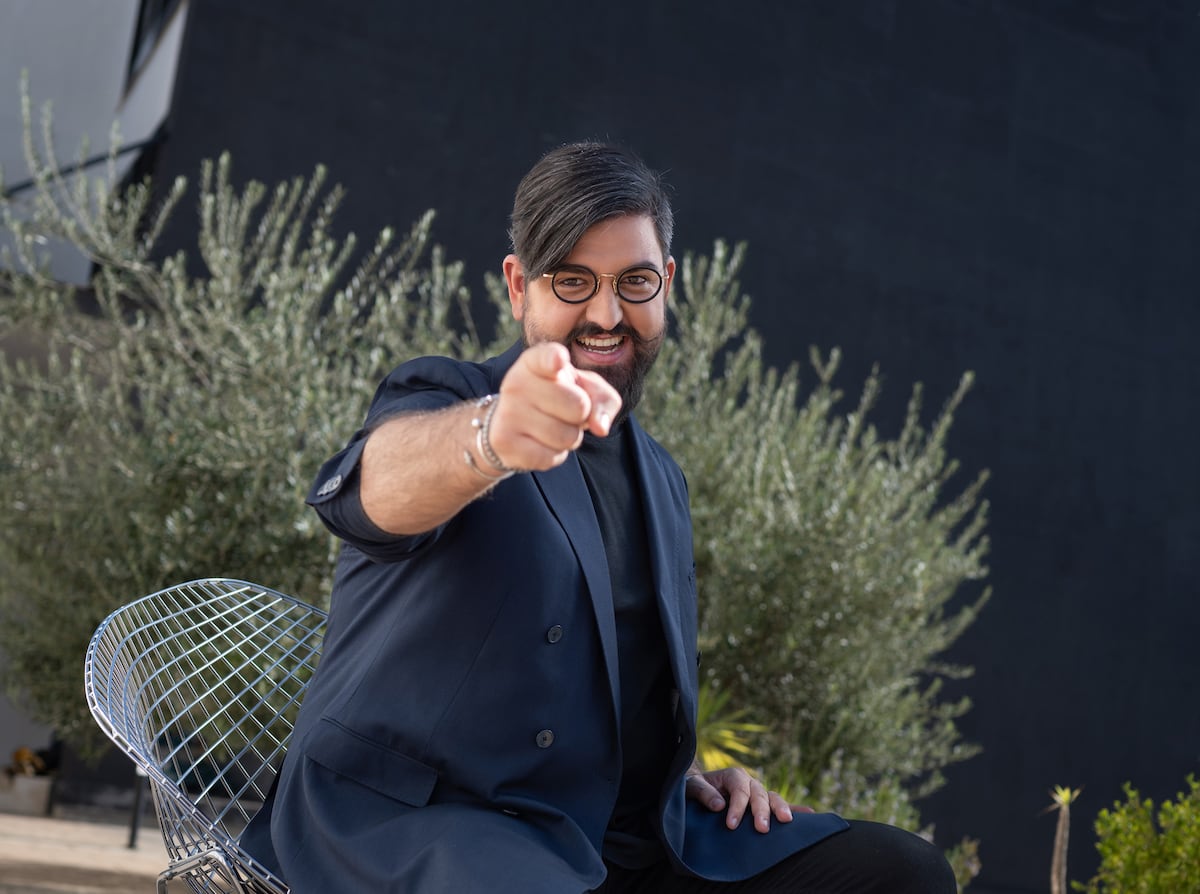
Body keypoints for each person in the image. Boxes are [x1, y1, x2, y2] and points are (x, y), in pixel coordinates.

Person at [240, 142, 957, 893]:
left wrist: (681, 779)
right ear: (519, 287)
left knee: (900, 873)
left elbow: (615, 692)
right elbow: (376, 490)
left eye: (634, 282)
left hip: (607, 838)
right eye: (572, 280)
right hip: (417, 823)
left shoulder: (662, 481)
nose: (607, 315)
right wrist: (490, 437)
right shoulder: (450, 398)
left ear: (666, 285)